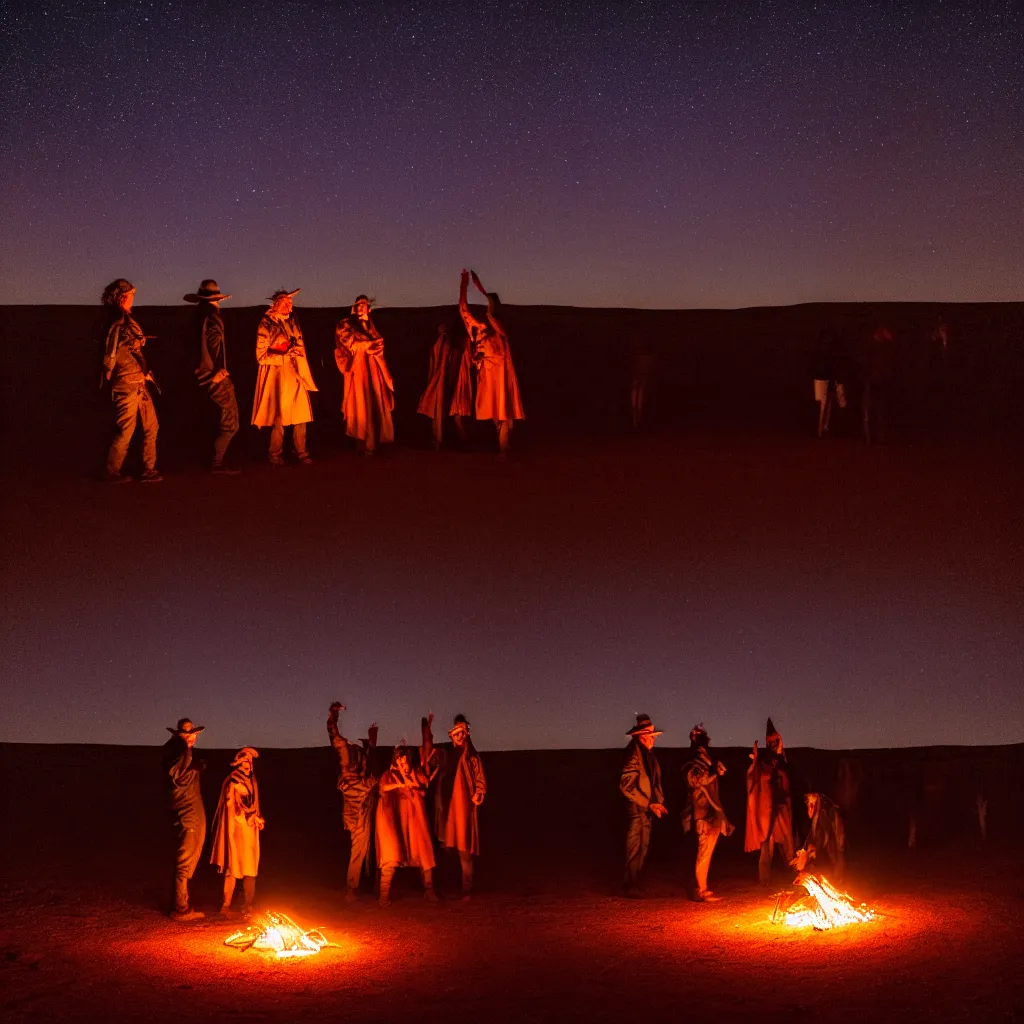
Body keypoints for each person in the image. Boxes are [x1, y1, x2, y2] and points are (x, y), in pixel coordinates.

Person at [458, 269, 525, 456]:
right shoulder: (478, 328)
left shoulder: (498, 328)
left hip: (500, 375)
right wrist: (464, 284)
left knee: (503, 411)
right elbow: (463, 309)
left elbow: (492, 309)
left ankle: (504, 447)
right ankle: (504, 443)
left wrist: (480, 288)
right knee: (494, 413)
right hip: (487, 376)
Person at [100, 278, 161, 483]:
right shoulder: (117, 324)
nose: (133, 299)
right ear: (123, 297)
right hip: (127, 383)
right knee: (125, 429)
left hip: (138, 382)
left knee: (151, 426)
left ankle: (148, 469)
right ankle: (111, 472)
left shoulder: (124, 321)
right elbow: (112, 355)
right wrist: (113, 376)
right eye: (131, 296)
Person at [374, 717, 438, 907]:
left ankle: (429, 890)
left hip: (415, 820)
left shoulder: (416, 772)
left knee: (424, 852)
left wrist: (412, 782)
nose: (403, 765)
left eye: (405, 762)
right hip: (395, 821)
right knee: (391, 853)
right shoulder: (388, 775)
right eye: (399, 762)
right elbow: (382, 788)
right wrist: (398, 783)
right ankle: (383, 896)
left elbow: (423, 788)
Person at [251, 288, 318, 465]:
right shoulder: (266, 324)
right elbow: (261, 356)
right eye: (285, 302)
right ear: (276, 304)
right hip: (278, 376)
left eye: (290, 303)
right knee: (278, 416)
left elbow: (300, 346)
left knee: (301, 415)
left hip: (296, 374)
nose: (289, 306)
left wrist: (297, 352)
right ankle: (275, 454)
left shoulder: (293, 323)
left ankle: (301, 452)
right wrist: (284, 354)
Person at [423, 713, 486, 899]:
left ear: (466, 733)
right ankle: (451, 885)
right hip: (447, 810)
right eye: (456, 732)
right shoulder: (447, 755)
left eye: (462, 732)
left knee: (464, 849)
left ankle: (467, 889)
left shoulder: (472, 758)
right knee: (448, 847)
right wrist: (427, 732)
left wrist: (478, 793)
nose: (459, 736)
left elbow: (480, 781)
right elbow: (429, 757)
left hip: (464, 810)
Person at [185, 279, 240, 473]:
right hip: (214, 376)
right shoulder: (213, 317)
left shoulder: (197, 317)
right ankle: (217, 463)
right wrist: (219, 371)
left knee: (214, 419)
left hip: (201, 376)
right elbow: (214, 344)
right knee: (231, 422)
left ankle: (211, 460)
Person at [327, 702, 380, 901]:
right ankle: (351, 888)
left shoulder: (363, 753)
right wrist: (333, 715)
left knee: (364, 849)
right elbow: (333, 735)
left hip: (366, 805)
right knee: (358, 849)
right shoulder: (345, 754)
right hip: (355, 809)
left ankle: (361, 885)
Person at [334, 295, 395, 455]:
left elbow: (380, 343)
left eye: (364, 304)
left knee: (376, 402)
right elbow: (350, 343)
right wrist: (367, 344)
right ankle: (363, 441)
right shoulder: (345, 324)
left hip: (374, 369)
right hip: (359, 369)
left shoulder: (373, 325)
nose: (361, 306)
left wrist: (368, 342)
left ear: (368, 308)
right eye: (359, 304)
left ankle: (379, 441)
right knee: (361, 404)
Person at [682, 724, 734, 902]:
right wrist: (715, 773)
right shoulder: (692, 763)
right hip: (702, 813)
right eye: (699, 736)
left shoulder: (708, 760)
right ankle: (699, 890)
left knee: (707, 852)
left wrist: (716, 771)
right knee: (703, 852)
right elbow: (698, 781)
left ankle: (699, 885)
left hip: (712, 811)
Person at [210, 747, 264, 918]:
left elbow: (254, 804)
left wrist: (257, 817)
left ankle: (247, 904)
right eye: (245, 761)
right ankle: (226, 905)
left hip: (250, 831)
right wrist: (249, 817)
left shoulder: (252, 780)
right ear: (239, 763)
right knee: (233, 867)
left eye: (250, 761)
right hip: (236, 830)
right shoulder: (233, 781)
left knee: (250, 868)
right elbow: (232, 806)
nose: (248, 764)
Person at [162, 718, 207, 921]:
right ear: (182, 736)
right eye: (190, 735)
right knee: (184, 858)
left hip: (190, 812)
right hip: (186, 814)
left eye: (194, 735)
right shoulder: (179, 753)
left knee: (189, 854)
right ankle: (180, 908)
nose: (193, 738)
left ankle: (183, 903)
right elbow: (178, 778)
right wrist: (195, 769)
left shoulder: (181, 752)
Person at [619, 713, 666, 897]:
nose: (654, 739)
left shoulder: (647, 755)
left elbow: (652, 782)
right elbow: (626, 786)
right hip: (637, 810)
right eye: (651, 736)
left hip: (645, 810)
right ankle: (630, 886)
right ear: (642, 736)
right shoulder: (633, 755)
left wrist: (657, 803)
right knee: (635, 847)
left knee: (642, 847)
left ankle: (634, 883)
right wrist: (648, 804)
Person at [745, 718, 795, 885]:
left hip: (781, 808)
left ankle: (796, 875)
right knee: (767, 844)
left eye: (776, 741)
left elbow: (786, 779)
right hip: (767, 809)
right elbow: (754, 778)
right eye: (770, 741)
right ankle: (764, 878)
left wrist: (780, 752)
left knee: (788, 841)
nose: (773, 744)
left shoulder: (782, 762)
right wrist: (754, 761)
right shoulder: (763, 762)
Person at [416, 323, 471, 450]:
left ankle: (445, 441)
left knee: (449, 412)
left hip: (448, 381)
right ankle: (444, 440)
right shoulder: (445, 341)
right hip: (446, 381)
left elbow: (445, 362)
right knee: (449, 413)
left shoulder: (446, 341)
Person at [793, 792, 846, 879]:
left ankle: (838, 879)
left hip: (833, 836)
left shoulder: (823, 813)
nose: (808, 805)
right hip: (827, 838)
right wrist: (807, 847)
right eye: (808, 802)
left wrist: (815, 848)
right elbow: (813, 831)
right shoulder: (816, 813)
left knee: (835, 856)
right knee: (828, 857)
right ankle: (832, 877)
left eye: (810, 802)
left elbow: (824, 832)